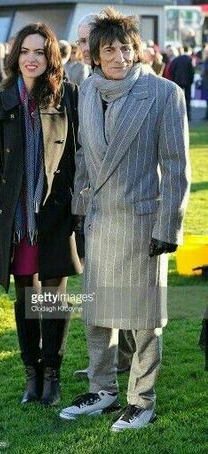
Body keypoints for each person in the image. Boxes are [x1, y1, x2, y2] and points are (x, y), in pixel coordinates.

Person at [60, 7, 191, 431]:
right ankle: (102, 389)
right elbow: (82, 156)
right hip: (99, 223)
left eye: (125, 47)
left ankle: (142, 400)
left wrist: (168, 227)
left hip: (143, 226)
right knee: (97, 315)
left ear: (137, 49)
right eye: (109, 49)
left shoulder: (164, 94)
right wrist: (80, 213)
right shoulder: (85, 90)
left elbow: (176, 167)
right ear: (94, 56)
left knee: (143, 321)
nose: (119, 56)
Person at [0, 22, 82, 406]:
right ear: (15, 56)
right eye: (25, 51)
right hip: (18, 219)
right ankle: (32, 374)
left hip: (55, 213)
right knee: (27, 293)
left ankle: (53, 376)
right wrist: (1, 191)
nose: (31, 58)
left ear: (51, 56)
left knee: (55, 296)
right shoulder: (0, 101)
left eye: (39, 51)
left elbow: (76, 152)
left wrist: (74, 204)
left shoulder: (67, 96)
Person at [73, 12, 134, 380]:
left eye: (87, 41)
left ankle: (125, 361)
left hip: (131, 208)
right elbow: (83, 151)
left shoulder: (137, 85)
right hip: (95, 210)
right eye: (81, 42)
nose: (83, 49)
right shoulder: (84, 85)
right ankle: (105, 365)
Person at [170, 46, 194, 121]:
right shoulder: (189, 59)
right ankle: (188, 115)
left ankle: (178, 115)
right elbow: (192, 71)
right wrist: (191, 80)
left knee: (178, 99)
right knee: (187, 99)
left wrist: (174, 79)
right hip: (187, 82)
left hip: (178, 81)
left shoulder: (176, 59)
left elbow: (172, 70)